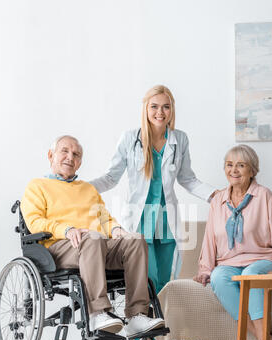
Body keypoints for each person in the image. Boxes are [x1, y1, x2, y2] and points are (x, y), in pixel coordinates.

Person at [20, 135, 165, 337]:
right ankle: (98, 312)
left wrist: (116, 230)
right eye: (65, 151)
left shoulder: (88, 189)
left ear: (80, 162)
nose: (70, 157)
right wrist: (68, 230)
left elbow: (104, 218)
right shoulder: (37, 186)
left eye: (76, 154)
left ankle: (137, 316)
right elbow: (34, 222)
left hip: (94, 244)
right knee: (93, 239)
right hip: (58, 248)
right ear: (51, 155)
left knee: (135, 240)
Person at [90, 85, 218, 294]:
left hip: (166, 219)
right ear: (146, 109)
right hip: (140, 220)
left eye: (166, 107)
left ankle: (160, 324)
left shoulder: (180, 139)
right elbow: (111, 177)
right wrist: (83, 187)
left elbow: (187, 179)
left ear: (172, 110)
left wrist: (214, 195)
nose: (160, 112)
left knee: (164, 282)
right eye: (154, 106)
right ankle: (144, 320)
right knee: (148, 277)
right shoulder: (130, 138)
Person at [194, 144, 272, 340]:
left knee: (250, 275)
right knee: (219, 277)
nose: (234, 170)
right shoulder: (218, 200)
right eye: (229, 165)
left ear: (252, 170)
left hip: (262, 259)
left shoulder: (264, 195)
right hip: (229, 263)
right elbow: (209, 237)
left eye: (240, 165)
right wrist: (205, 268)